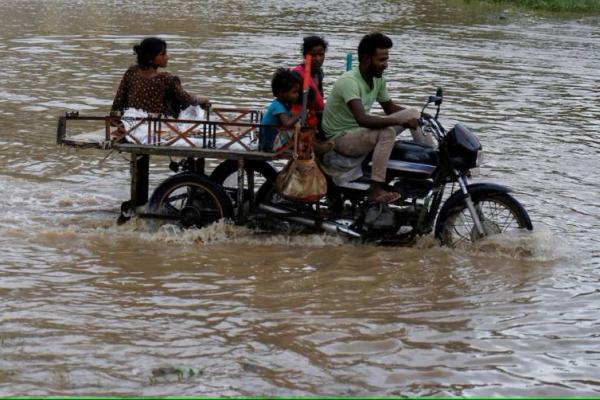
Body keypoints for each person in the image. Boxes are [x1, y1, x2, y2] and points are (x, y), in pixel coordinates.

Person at [321, 32, 434, 204]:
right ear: (366, 59)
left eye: (386, 60)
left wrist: (423, 117)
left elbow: (389, 108)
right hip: (342, 138)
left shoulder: (377, 79)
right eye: (381, 60)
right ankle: (375, 189)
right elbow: (363, 119)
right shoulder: (349, 81)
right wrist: (400, 121)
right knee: (387, 132)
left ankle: (432, 160)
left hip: (359, 133)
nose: (386, 65)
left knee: (413, 112)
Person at [111, 37, 209, 117]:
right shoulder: (167, 79)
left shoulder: (131, 72)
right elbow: (186, 99)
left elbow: (119, 99)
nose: (167, 57)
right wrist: (204, 99)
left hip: (132, 124)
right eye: (163, 54)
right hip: (158, 126)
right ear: (150, 59)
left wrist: (115, 120)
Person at [259, 68, 301, 152]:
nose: (297, 95)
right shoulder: (277, 106)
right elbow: (287, 123)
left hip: (274, 136)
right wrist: (299, 114)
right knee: (296, 130)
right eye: (294, 92)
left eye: (298, 92)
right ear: (281, 93)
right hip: (269, 143)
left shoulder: (283, 105)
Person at [291, 35, 328, 128]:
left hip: (313, 112)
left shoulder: (319, 73)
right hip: (297, 115)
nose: (318, 59)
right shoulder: (296, 74)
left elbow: (320, 96)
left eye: (321, 54)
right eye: (313, 55)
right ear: (305, 55)